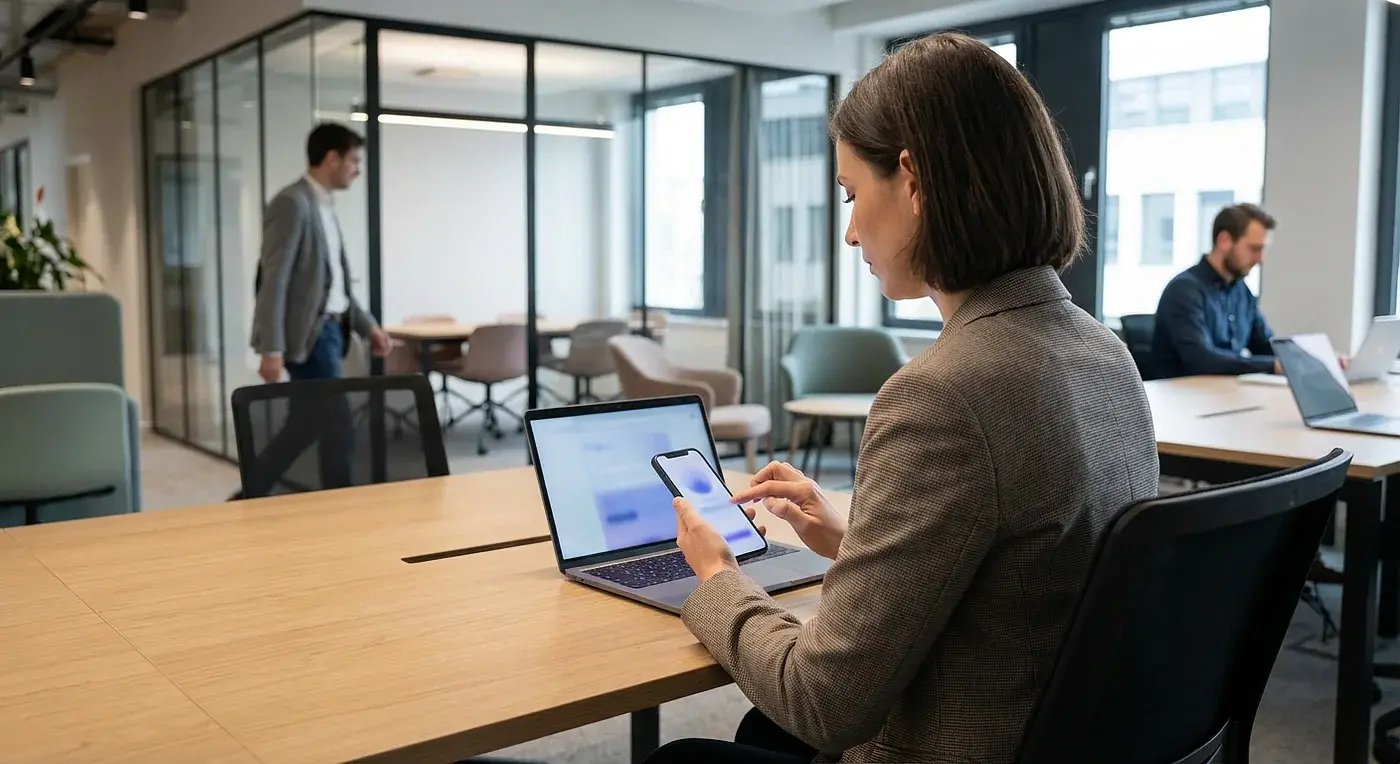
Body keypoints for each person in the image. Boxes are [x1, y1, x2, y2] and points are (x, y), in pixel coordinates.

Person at [647, 33, 1160, 764]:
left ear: (914, 180)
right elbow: (1023, 579)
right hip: (1063, 735)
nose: (852, 232)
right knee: (760, 736)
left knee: (686, 759)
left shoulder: (944, 394)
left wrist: (717, 578)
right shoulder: (1103, 352)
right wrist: (854, 540)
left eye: (854, 195)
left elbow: (822, 703)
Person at [239, 123, 391, 497]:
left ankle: (251, 493)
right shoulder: (292, 203)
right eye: (353, 160)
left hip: (332, 331)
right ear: (331, 158)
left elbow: (333, 284)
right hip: (312, 336)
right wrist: (271, 348)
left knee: (307, 423)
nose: (357, 169)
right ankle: (339, 504)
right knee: (339, 426)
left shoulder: (324, 206)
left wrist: (367, 326)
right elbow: (274, 280)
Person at [1151, 203, 1278, 378]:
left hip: (1222, 394)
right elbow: (1203, 360)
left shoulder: (1241, 292)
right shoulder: (1184, 291)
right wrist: (1273, 365)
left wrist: (1295, 359)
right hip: (1184, 398)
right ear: (1224, 241)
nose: (1260, 259)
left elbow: (1266, 345)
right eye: (1254, 249)